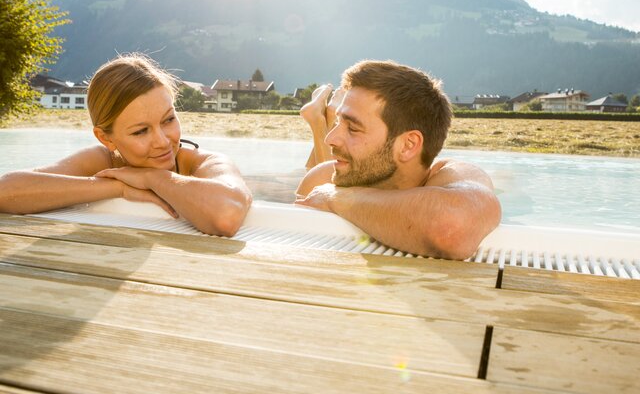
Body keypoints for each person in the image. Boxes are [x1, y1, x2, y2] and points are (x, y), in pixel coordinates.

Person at [0, 54, 252, 236]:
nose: (163, 141)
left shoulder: (203, 163)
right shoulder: (102, 162)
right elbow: (6, 191)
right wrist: (118, 187)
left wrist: (153, 178)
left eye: (168, 120)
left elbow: (226, 215)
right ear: (106, 138)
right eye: (141, 131)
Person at [296, 60, 501, 259]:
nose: (330, 138)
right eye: (339, 122)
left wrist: (337, 198)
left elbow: (450, 229)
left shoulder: (454, 174)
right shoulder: (321, 178)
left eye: (353, 128)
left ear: (408, 145)